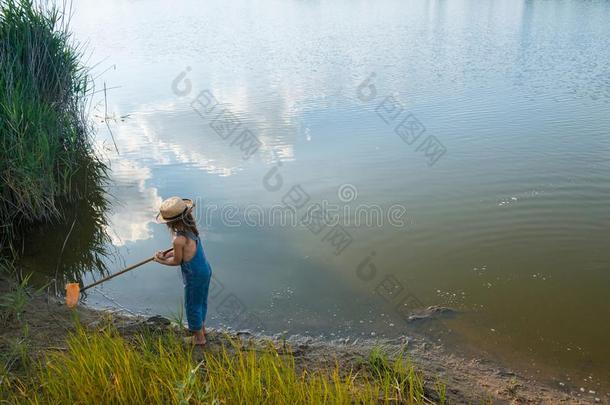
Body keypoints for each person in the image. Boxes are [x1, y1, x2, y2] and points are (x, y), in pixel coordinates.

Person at [154, 196, 212, 345]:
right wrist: (167, 253)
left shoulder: (177, 240)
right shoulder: (192, 231)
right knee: (201, 301)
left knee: (192, 305)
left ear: (170, 223)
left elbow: (176, 261)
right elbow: (184, 252)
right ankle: (202, 329)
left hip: (193, 276)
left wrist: (160, 260)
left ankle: (199, 338)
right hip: (205, 271)